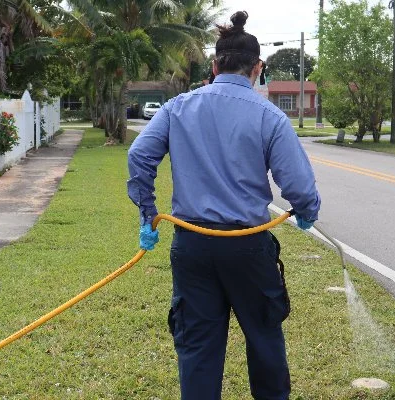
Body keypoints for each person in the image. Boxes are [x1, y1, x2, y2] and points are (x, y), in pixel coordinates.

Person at [126, 11, 321, 400]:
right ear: (258, 68)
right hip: (248, 247)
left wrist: (148, 212)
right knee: (264, 336)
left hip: (193, 246)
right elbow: (298, 186)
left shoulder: (178, 107)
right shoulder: (270, 115)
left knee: (197, 345)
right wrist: (306, 210)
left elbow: (139, 156)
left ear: (214, 66)